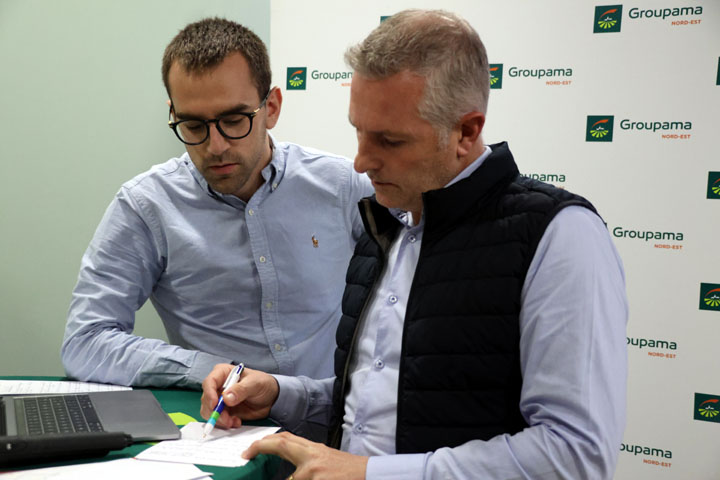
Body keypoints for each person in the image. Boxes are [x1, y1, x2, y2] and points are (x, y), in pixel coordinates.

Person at [200, 9, 628, 480]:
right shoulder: (386, 227)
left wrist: (368, 474)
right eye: (358, 131)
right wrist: (283, 394)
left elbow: (574, 455)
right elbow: (378, 409)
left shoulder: (558, 235)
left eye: (389, 141)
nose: (361, 162)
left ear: (466, 131)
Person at [61, 18, 373, 389]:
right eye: (194, 126)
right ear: (174, 115)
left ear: (272, 107)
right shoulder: (147, 206)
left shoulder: (344, 187)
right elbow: (85, 341)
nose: (216, 146)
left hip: (330, 413)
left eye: (234, 120)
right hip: (222, 416)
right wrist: (208, 370)